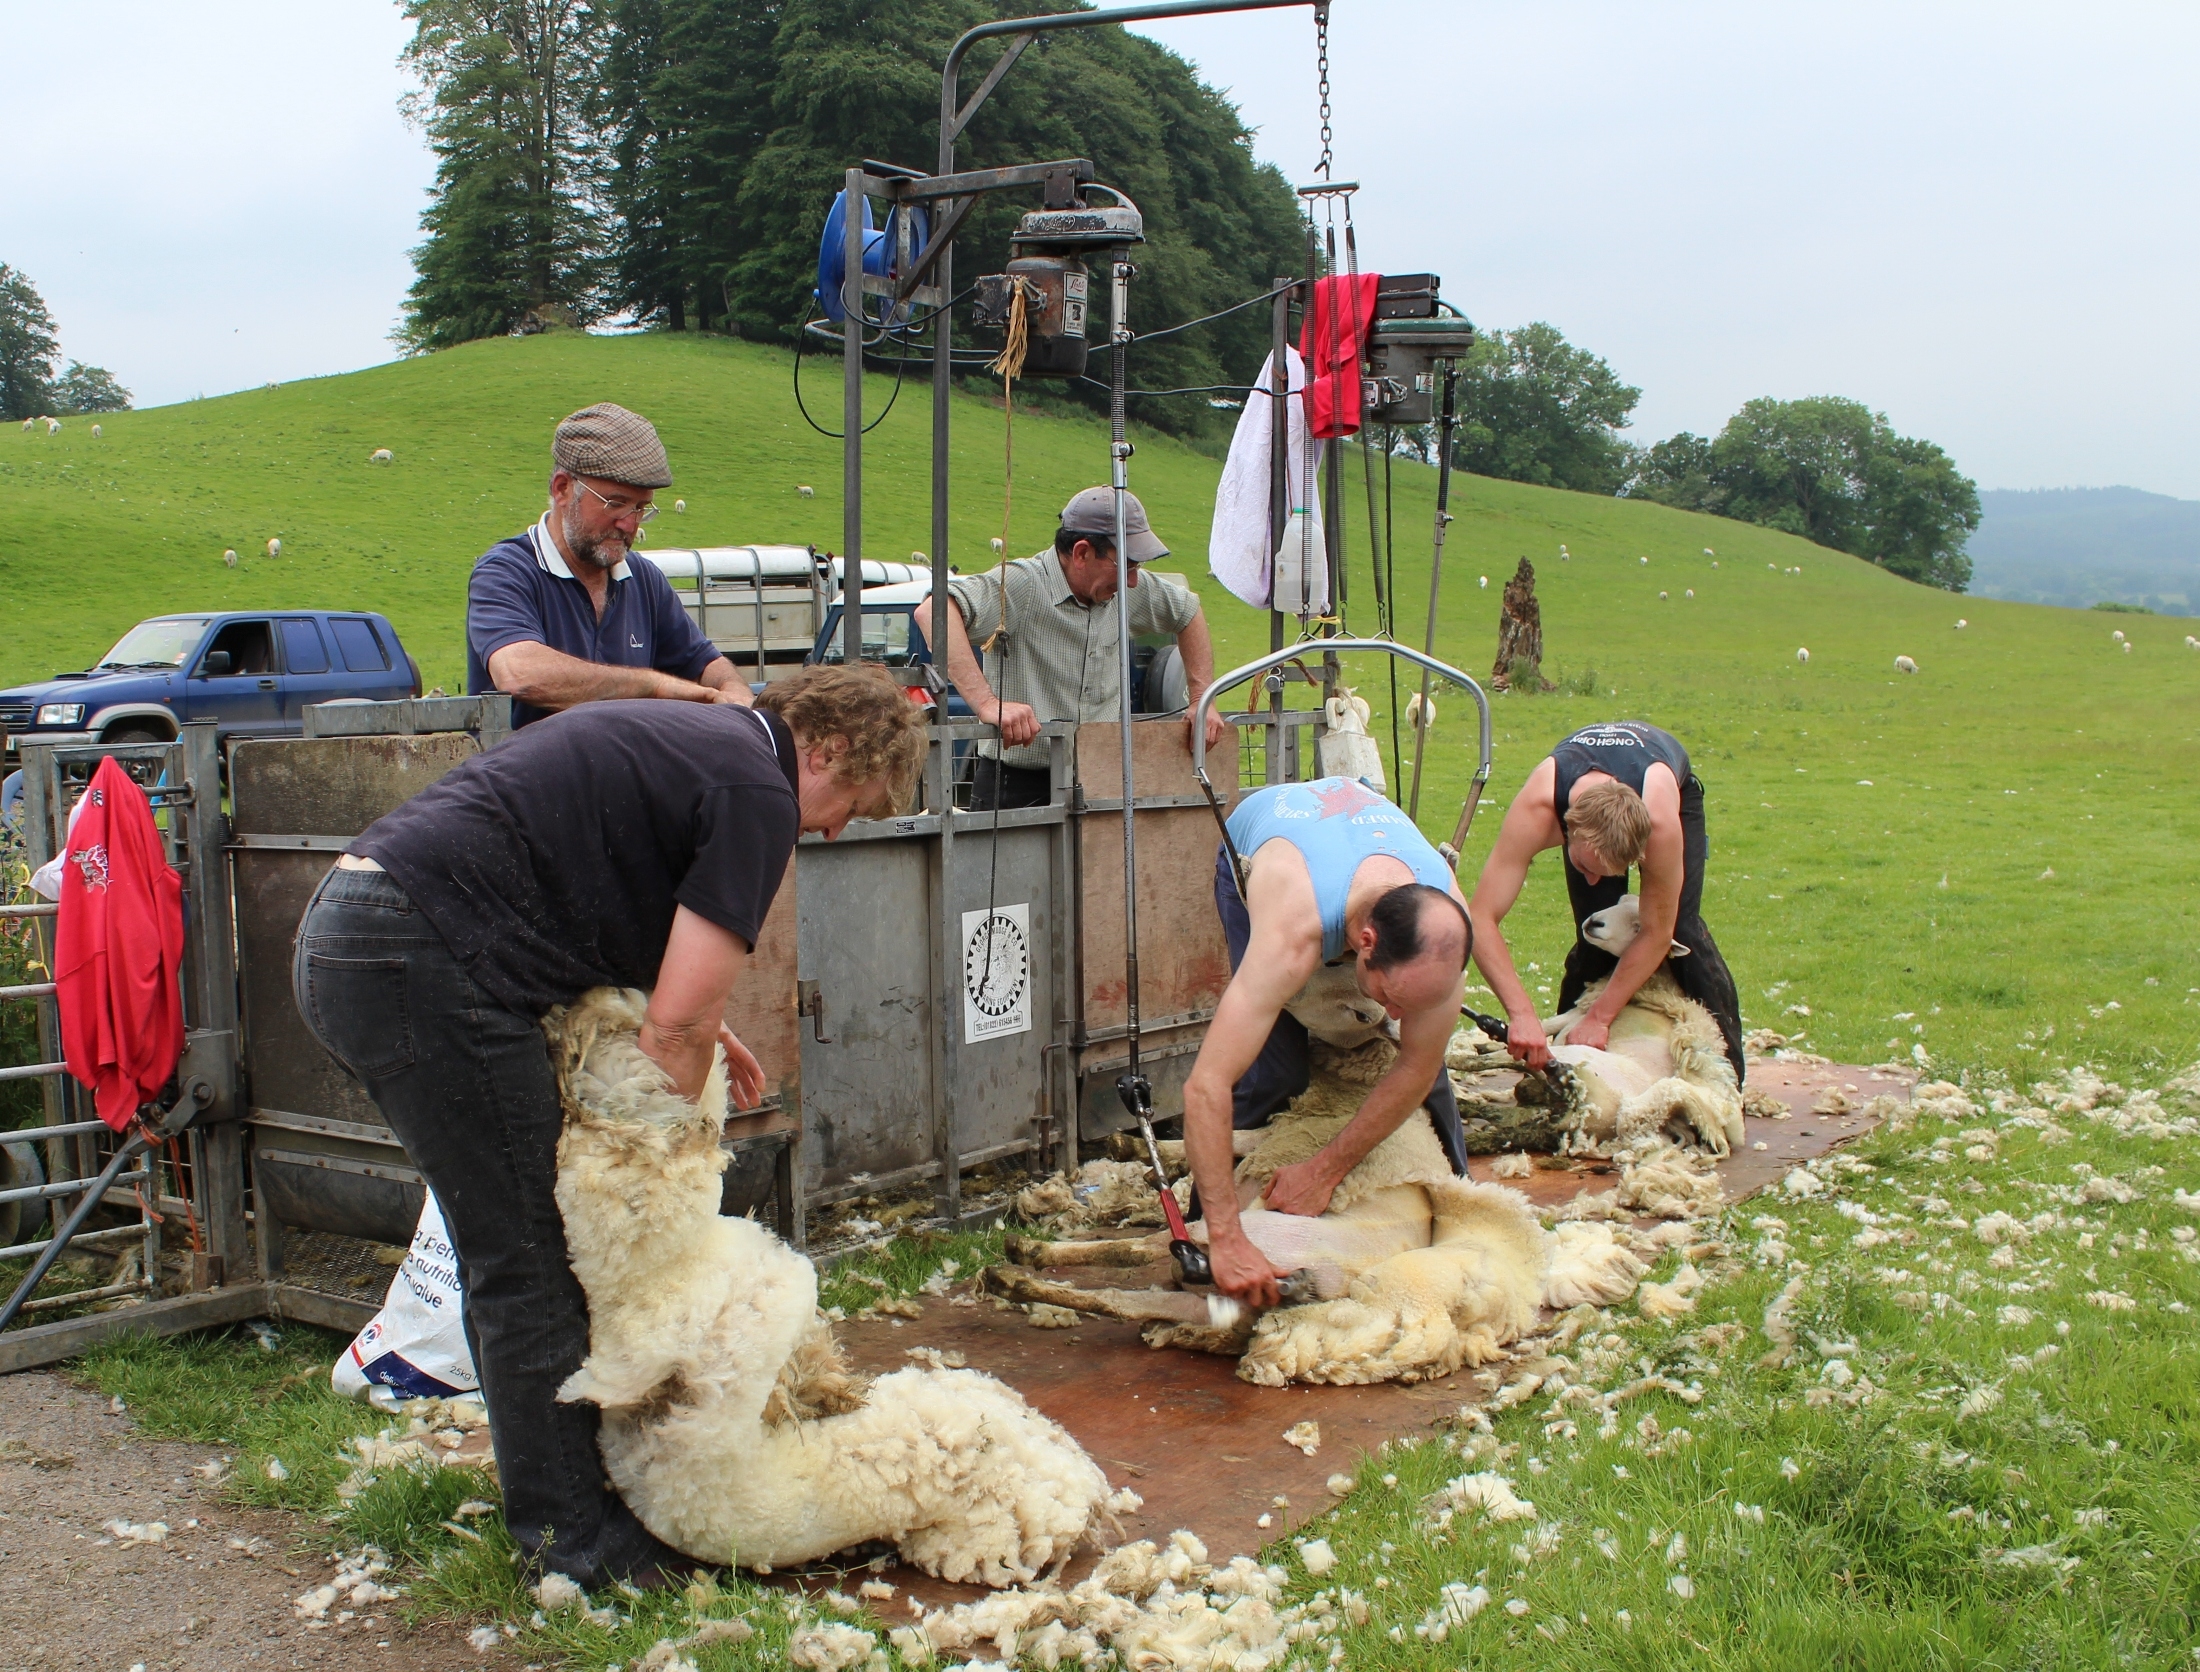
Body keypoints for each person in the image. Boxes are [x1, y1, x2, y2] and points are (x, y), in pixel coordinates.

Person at [291, 665, 925, 1589]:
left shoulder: (709, 747)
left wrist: (712, 1027)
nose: (830, 830)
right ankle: (577, 1548)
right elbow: (672, 1030)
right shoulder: (757, 787)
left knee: (524, 1248)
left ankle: (583, 1506)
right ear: (824, 749)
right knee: (533, 1257)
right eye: (849, 805)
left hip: (372, 931)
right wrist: (659, 1175)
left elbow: (613, 912)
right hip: (417, 958)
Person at [1181, 776, 1474, 1308]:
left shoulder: (1445, 935)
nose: (1393, 1016)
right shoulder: (1292, 928)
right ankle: (1207, 1234)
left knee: (1432, 1080)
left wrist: (1325, 1171)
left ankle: (1459, 1197)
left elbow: (1415, 1064)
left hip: (1350, 843)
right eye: (1392, 997)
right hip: (1263, 845)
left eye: (1412, 1005)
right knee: (1274, 1071)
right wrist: (1226, 1238)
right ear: (1365, 943)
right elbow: (1206, 1085)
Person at [912, 486, 1227, 809]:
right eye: (1126, 565)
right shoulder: (1023, 584)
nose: (1132, 580)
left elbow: (1188, 612)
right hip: (1016, 784)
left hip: (1100, 778)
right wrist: (987, 703)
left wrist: (1203, 701)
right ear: (1081, 553)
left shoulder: (1125, 590)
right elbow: (934, 612)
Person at [1467, 720, 1744, 1085]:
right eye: (1583, 865)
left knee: (1683, 932)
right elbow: (1481, 918)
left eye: (1608, 871)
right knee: (1595, 939)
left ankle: (1725, 1081)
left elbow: (1657, 933)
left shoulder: (1660, 824)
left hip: (1664, 780)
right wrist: (1521, 1014)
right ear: (1569, 829)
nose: (1594, 879)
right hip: (1579, 792)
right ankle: (1560, 1070)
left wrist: (1600, 1018)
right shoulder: (1539, 807)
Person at [467, 402, 752, 727]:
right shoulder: (507, 570)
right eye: (615, 504)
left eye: (642, 507)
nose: (630, 525)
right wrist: (654, 686)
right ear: (562, 489)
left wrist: (735, 693)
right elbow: (519, 673)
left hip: (624, 776)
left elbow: (705, 664)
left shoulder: (643, 579)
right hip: (527, 776)